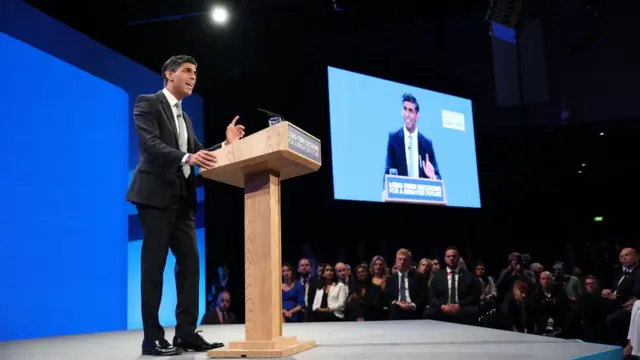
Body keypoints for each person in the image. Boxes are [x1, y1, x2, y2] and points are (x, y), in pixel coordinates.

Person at [126, 55, 245, 356]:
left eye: (196, 73)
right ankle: (152, 339)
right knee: (153, 269)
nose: (193, 77)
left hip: (183, 201)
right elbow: (150, 145)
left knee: (191, 265)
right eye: (188, 72)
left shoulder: (186, 118)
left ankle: (185, 335)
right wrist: (186, 158)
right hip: (155, 197)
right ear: (169, 74)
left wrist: (227, 145)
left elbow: (200, 154)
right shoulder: (148, 103)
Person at [384, 93, 441, 183]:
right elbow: (387, 173)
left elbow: (438, 177)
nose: (407, 114)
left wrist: (433, 176)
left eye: (410, 111)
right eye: (405, 109)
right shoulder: (393, 139)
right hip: (399, 195)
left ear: (417, 116)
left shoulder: (427, 144)